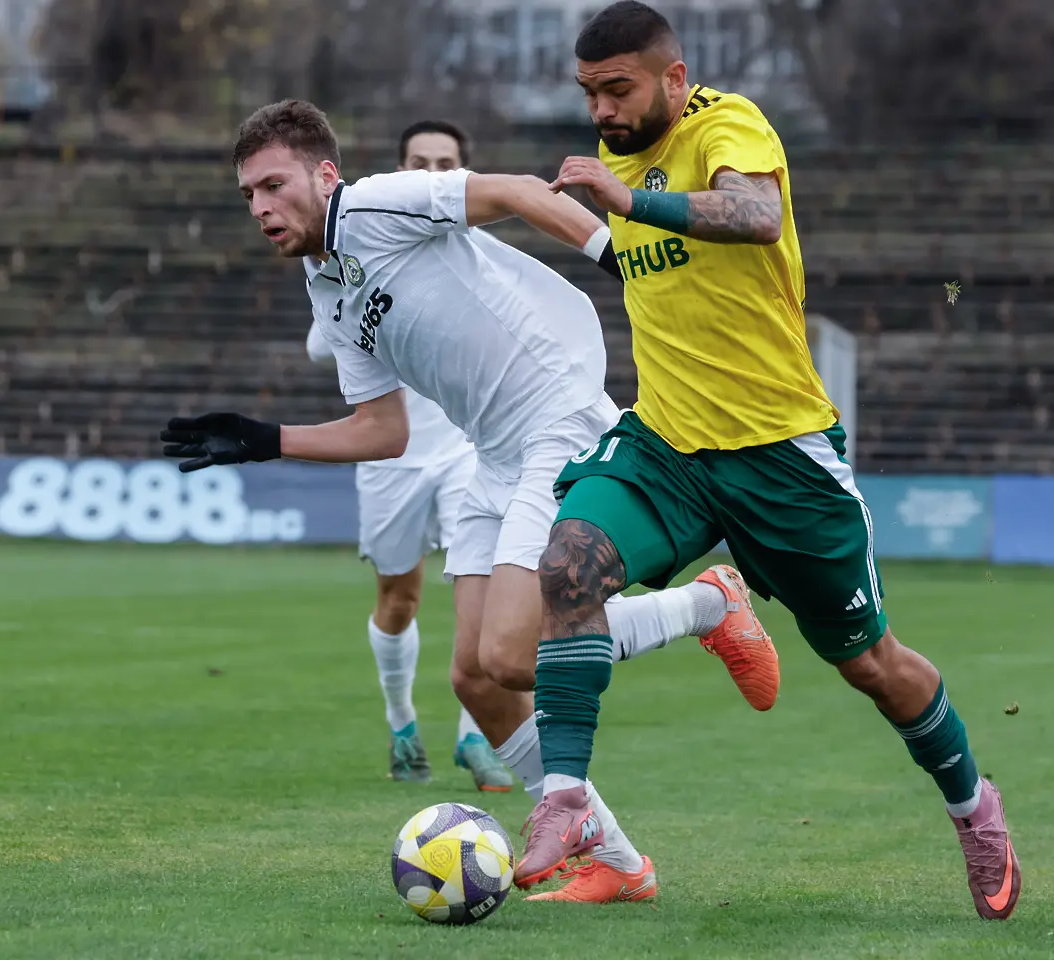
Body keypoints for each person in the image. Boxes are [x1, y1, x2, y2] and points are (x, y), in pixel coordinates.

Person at [160, 99, 782, 903]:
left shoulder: (379, 201)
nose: (259, 209)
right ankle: (620, 867)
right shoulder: (326, 288)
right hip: (492, 452)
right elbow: (382, 431)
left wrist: (618, 259)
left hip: (556, 417)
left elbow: (520, 191)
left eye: (272, 186)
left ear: (323, 174)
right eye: (247, 196)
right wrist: (264, 438)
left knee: (515, 654)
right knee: (477, 679)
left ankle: (706, 604)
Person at [514, 1, 1021, 922]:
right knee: (569, 567)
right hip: (667, 442)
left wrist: (630, 199)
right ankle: (567, 800)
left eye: (617, 89)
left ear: (672, 77)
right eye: (588, 92)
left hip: (780, 455)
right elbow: (622, 251)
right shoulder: (610, 162)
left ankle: (972, 807)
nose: (601, 110)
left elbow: (754, 215)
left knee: (873, 667)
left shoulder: (727, 124)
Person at [303, 119, 509, 791]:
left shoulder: (483, 253)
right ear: (395, 172)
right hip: (390, 454)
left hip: (466, 450)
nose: (431, 172)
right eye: (419, 162)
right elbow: (325, 340)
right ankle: (401, 726)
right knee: (399, 598)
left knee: (481, 592)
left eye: (444, 163)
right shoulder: (356, 249)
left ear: (462, 171)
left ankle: (475, 738)